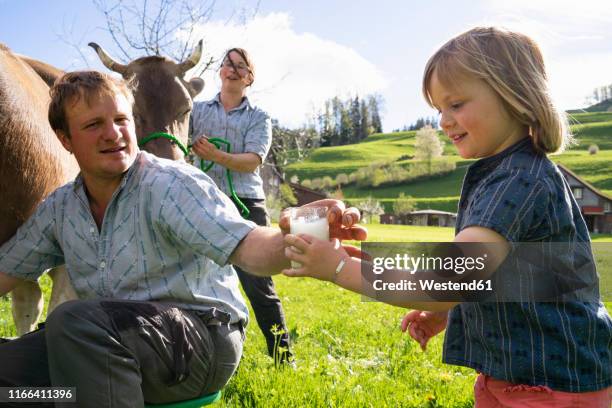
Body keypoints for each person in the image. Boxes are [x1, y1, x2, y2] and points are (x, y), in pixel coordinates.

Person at [282, 27, 611, 407]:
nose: (443, 121)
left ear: (514, 96)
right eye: (439, 109)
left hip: (554, 387)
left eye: (456, 104)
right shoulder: (507, 174)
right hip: (523, 375)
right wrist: (448, 312)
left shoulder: (518, 180)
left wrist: (339, 267)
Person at [0, 70, 365, 408]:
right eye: (94, 124)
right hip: (105, 341)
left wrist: (303, 229)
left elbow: (252, 247)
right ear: (65, 139)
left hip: (201, 338)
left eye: (122, 120)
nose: (113, 133)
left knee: (74, 321)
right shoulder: (61, 208)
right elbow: (6, 271)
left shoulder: (171, 184)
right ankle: (63, 397)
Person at [190, 48, 293, 363]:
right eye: (227, 64)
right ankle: (198, 354)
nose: (232, 69)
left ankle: (283, 356)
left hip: (245, 203)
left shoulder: (259, 117)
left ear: (250, 77)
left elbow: (251, 162)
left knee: (258, 283)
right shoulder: (195, 111)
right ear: (220, 72)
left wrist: (215, 156)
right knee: (195, 278)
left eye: (240, 66)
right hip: (202, 199)